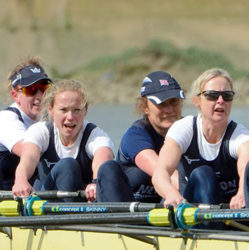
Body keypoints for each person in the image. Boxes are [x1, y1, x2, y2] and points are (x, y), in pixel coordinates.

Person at [152, 68, 249, 211]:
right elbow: (160, 172)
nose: (220, 101)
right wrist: (170, 193)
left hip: (230, 216)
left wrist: (242, 193)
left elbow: (246, 162)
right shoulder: (184, 129)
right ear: (197, 101)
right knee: (203, 173)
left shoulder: (239, 134)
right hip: (191, 212)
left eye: (227, 95)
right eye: (212, 95)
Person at [12, 79, 114, 202]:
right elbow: (29, 158)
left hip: (80, 205)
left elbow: (103, 159)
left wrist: (96, 182)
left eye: (76, 110)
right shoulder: (40, 131)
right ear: (51, 110)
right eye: (63, 110)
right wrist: (20, 180)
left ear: (85, 110)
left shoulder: (96, 135)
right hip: (45, 201)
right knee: (68, 165)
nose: (70, 117)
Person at [97, 70, 185, 202]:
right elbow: (162, 173)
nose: (169, 110)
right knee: (108, 167)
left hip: (165, 205)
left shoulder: (189, 129)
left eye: (173, 102)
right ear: (145, 107)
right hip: (128, 206)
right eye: (161, 104)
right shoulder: (136, 135)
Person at [0, 56, 52, 190]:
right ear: (15, 95)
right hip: (9, 195)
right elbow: (29, 151)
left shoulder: (50, 117)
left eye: (44, 88)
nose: (40, 96)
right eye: (31, 90)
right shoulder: (6, 119)